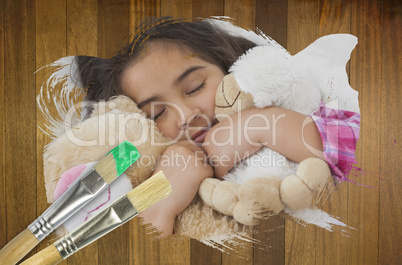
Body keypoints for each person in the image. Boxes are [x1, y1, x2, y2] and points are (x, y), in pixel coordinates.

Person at [74, 17, 359, 237]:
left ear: (227, 66)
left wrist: (261, 124)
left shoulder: (287, 104)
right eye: (157, 113)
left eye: (196, 87)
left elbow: (358, 157)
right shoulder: (144, 178)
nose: (186, 115)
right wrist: (159, 200)